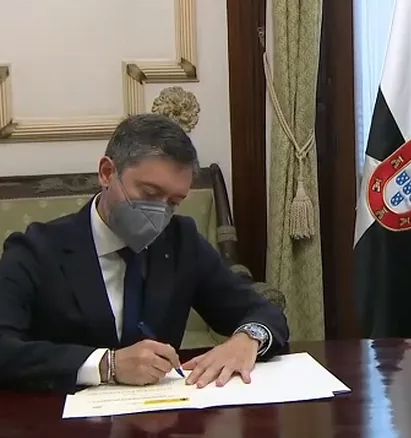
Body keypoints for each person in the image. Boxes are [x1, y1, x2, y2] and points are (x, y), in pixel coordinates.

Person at [0, 114, 289, 392]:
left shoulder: (181, 240)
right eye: (150, 194)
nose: (160, 212)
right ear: (107, 173)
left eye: (174, 202)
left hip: (161, 415)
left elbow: (262, 311)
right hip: (61, 416)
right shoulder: (36, 250)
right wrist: (107, 364)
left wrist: (248, 338)